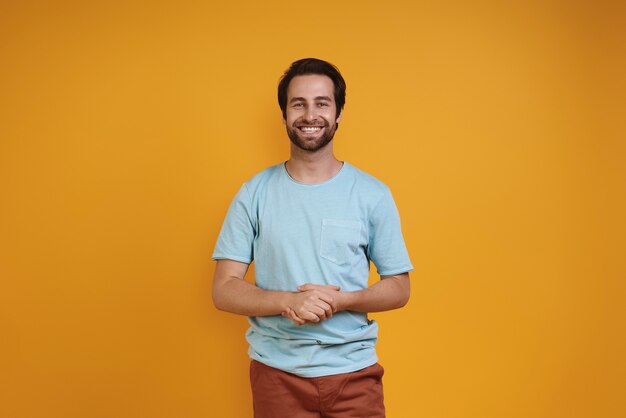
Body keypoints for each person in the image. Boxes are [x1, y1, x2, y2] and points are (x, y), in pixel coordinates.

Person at [212, 58, 413, 418]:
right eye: (298, 104)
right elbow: (224, 288)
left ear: (338, 114)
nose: (310, 115)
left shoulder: (372, 193)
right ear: (284, 114)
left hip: (355, 375)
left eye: (322, 103)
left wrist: (343, 300)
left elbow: (399, 286)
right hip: (277, 376)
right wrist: (290, 300)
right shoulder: (253, 193)